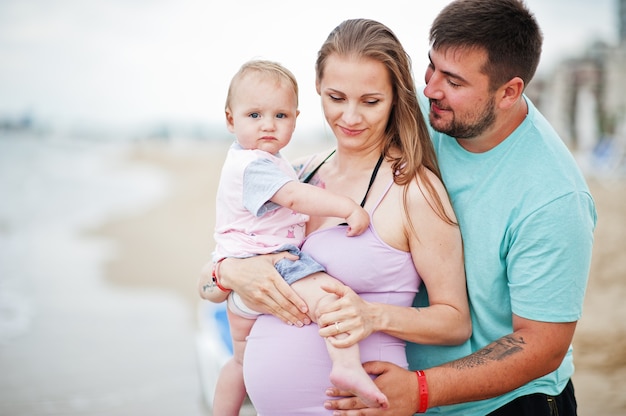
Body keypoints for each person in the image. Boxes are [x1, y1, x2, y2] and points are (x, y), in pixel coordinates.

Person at [321, 0, 597, 415]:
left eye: (452, 80)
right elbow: (338, 171)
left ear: (508, 92)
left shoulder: (553, 197)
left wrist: (421, 390)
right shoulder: (423, 113)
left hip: (511, 405)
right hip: (405, 395)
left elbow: (542, 346)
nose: (430, 88)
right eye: (432, 67)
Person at [198, 19, 471, 415]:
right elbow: (208, 288)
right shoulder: (296, 175)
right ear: (316, 92)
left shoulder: (414, 190)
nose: (351, 117)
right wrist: (229, 274)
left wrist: (371, 316)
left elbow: (455, 323)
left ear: (396, 98)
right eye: (336, 97)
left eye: (371, 101)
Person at [202, 59, 390, 415]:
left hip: (241, 290)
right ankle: (347, 366)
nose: (268, 126)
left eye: (280, 116)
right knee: (335, 301)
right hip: (272, 267)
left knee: (239, 363)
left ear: (295, 118)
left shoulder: (269, 162)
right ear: (230, 120)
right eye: (254, 115)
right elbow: (294, 196)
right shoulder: (255, 166)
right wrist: (346, 207)